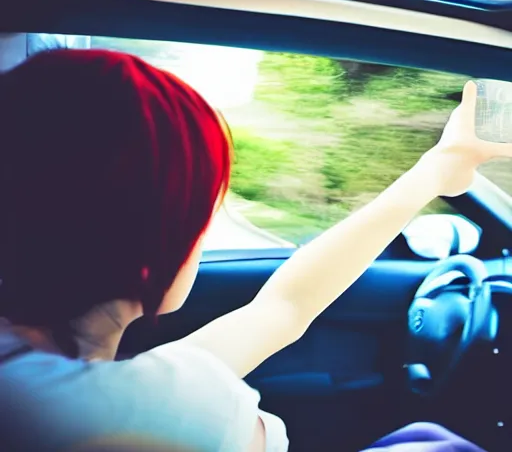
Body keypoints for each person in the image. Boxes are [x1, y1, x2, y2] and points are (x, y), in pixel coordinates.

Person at [0, 49, 506, 452]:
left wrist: (439, 170)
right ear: (152, 244)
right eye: (202, 213)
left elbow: (284, 307)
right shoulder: (175, 412)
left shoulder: (45, 383)